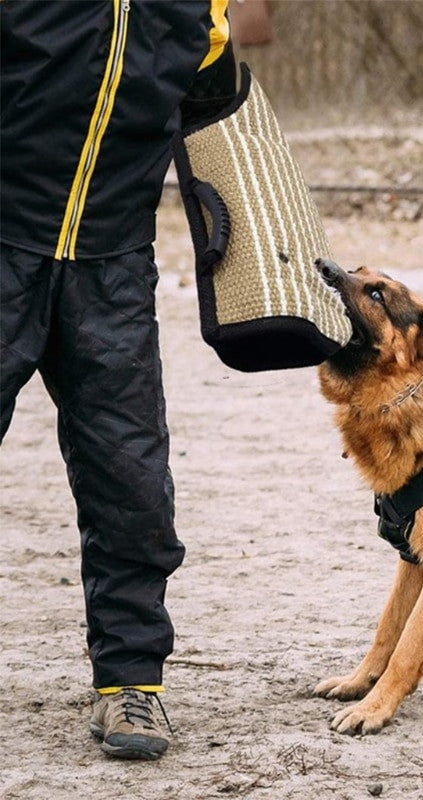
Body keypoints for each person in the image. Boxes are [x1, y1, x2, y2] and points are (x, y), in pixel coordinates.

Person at [1, 0, 237, 760]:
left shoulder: (204, 9)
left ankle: (130, 685)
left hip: (114, 266)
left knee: (131, 479)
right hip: (4, 240)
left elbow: (221, 116)